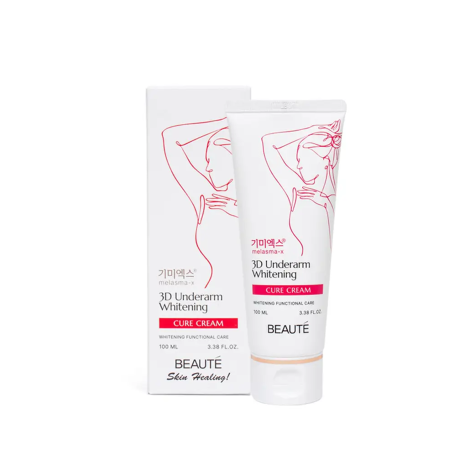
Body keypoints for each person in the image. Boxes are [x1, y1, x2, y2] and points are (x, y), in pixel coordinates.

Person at [162, 118, 238, 287]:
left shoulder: (260, 200)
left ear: (232, 158)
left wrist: (237, 210)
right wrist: (229, 120)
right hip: (213, 292)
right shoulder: (208, 198)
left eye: (211, 160)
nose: (207, 168)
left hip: (254, 297)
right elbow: (170, 136)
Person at [261, 121, 343, 255]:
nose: (298, 166)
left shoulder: (334, 199)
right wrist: (311, 130)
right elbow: (268, 141)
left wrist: (326, 203)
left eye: (302, 160)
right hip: (295, 264)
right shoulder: (298, 190)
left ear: (325, 161)